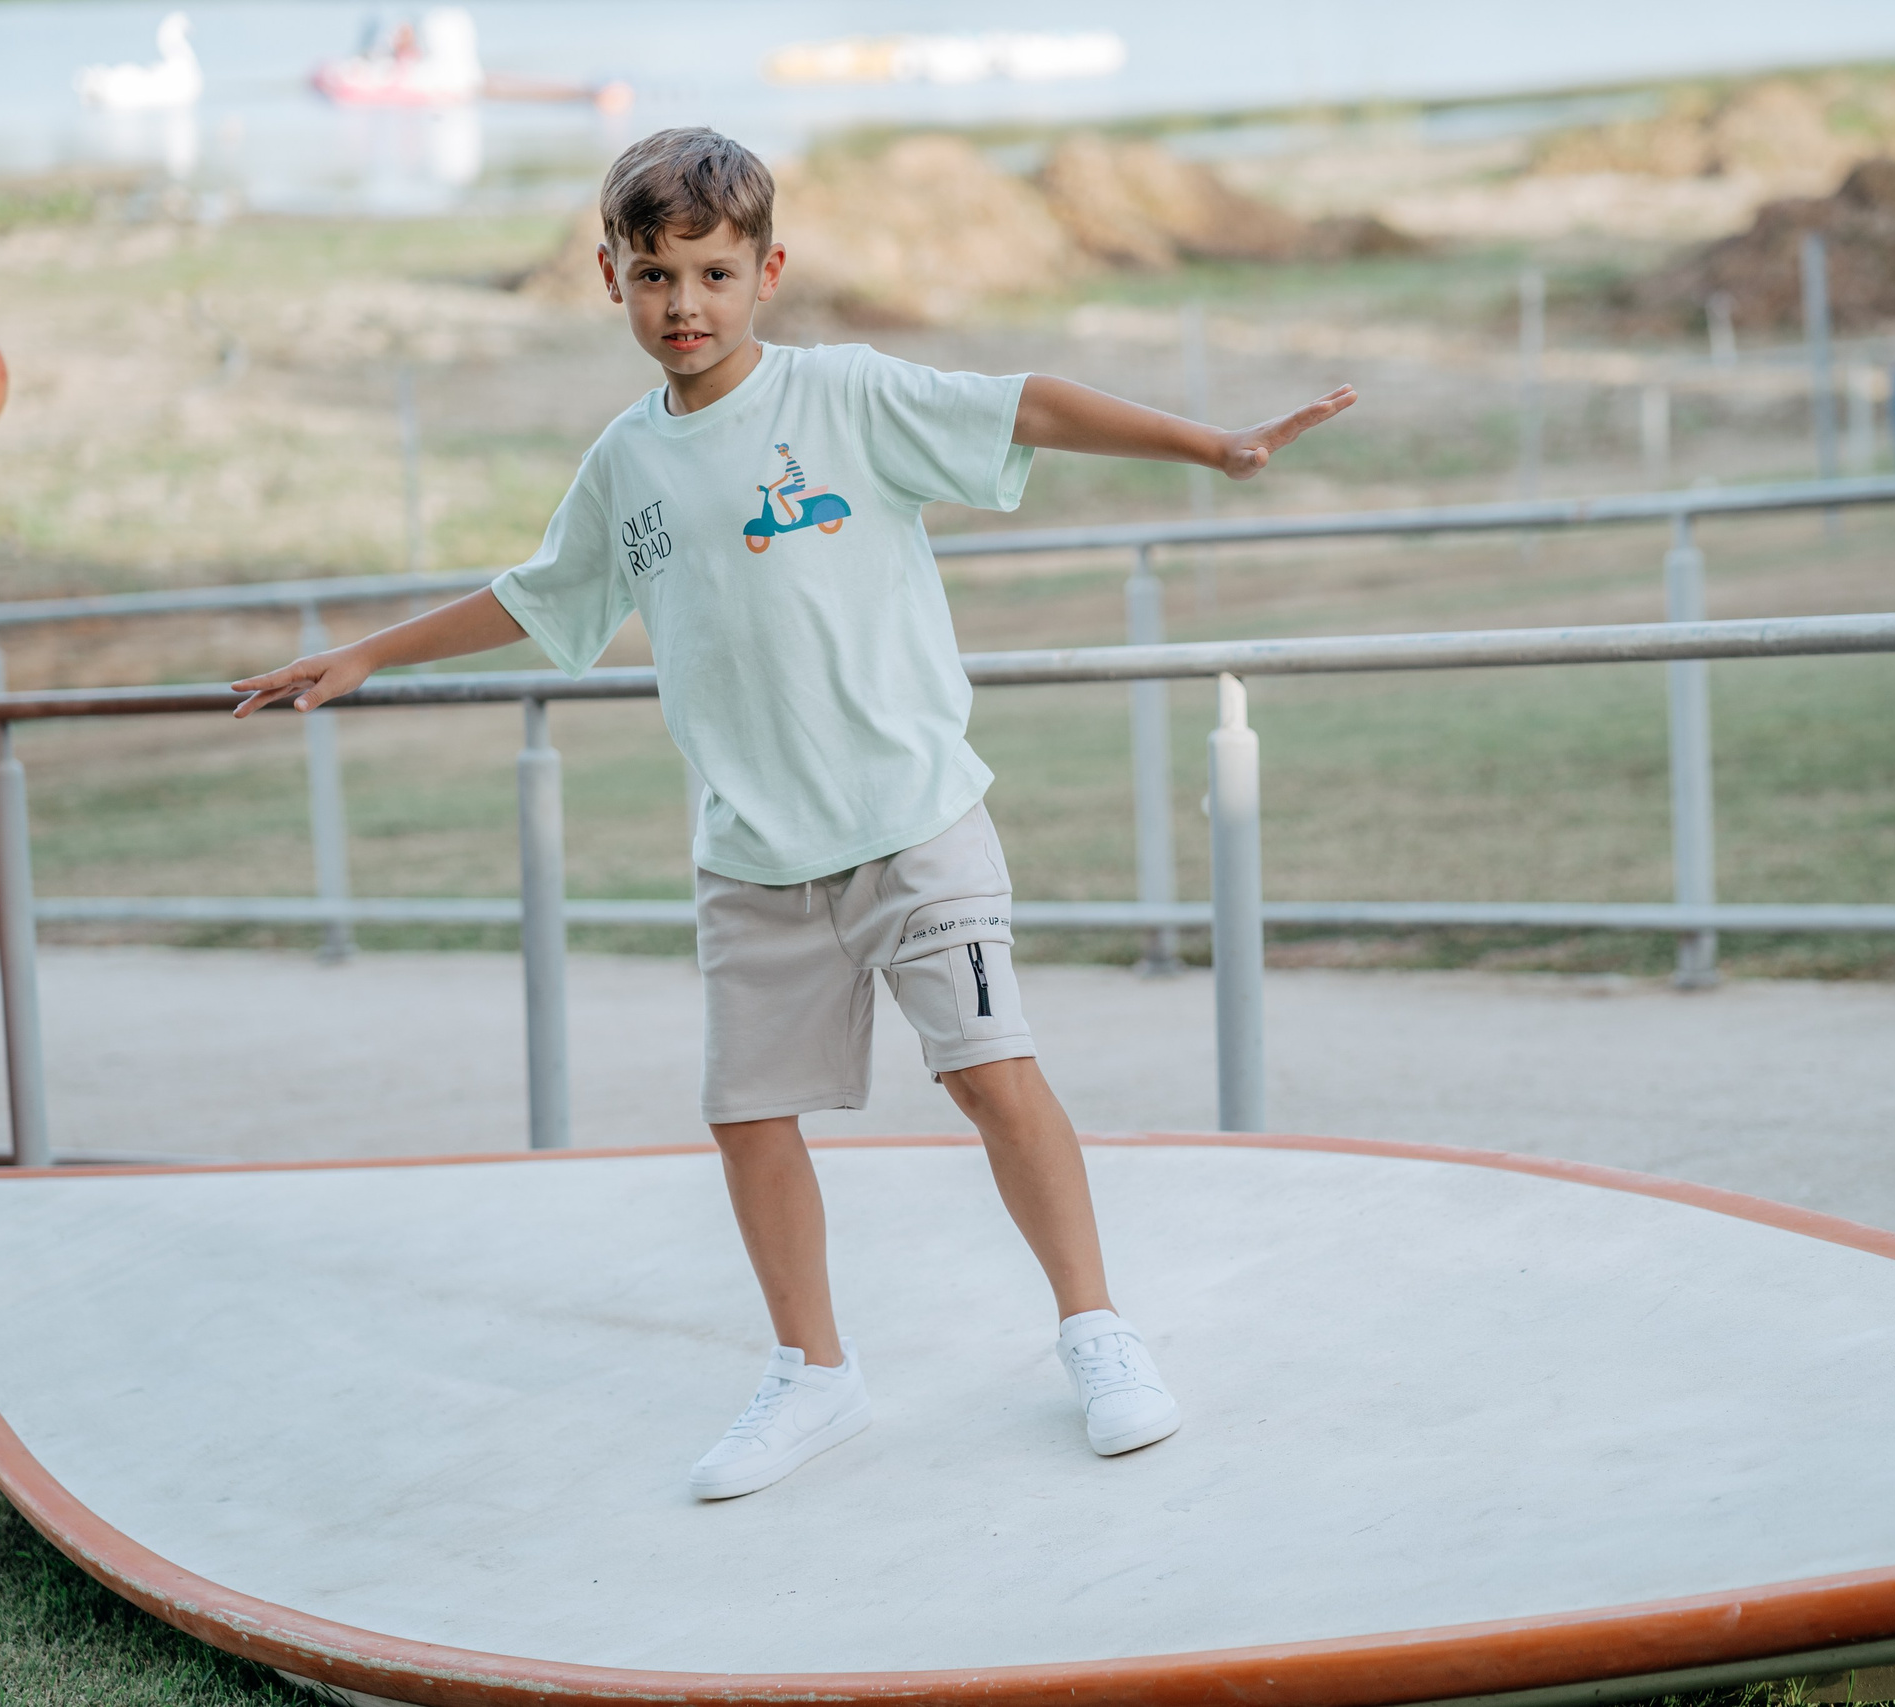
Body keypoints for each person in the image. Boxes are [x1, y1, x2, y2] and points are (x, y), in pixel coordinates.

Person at [229, 127, 1355, 1501]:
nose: (683, 304)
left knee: (993, 1072)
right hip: (754, 855)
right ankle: (814, 1374)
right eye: (653, 275)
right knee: (747, 1116)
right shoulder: (624, 462)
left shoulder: (847, 396)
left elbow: (1027, 407)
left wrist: (1210, 444)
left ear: (768, 270)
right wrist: (366, 654)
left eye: (710, 272)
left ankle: (1097, 1330)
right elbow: (541, 592)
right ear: (609, 277)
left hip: (912, 818)